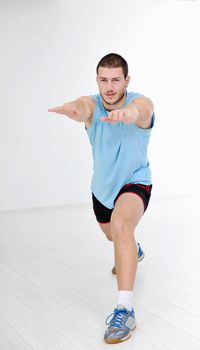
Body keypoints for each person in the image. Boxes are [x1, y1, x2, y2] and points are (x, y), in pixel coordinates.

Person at [48, 53, 154, 344]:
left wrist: (127, 114)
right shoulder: (92, 103)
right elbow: (83, 107)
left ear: (126, 80)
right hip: (102, 191)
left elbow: (140, 111)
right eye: (104, 80)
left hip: (135, 182)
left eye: (116, 80)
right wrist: (73, 109)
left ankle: (124, 309)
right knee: (115, 236)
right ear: (97, 80)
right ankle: (134, 248)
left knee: (121, 225)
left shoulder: (140, 102)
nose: (109, 86)